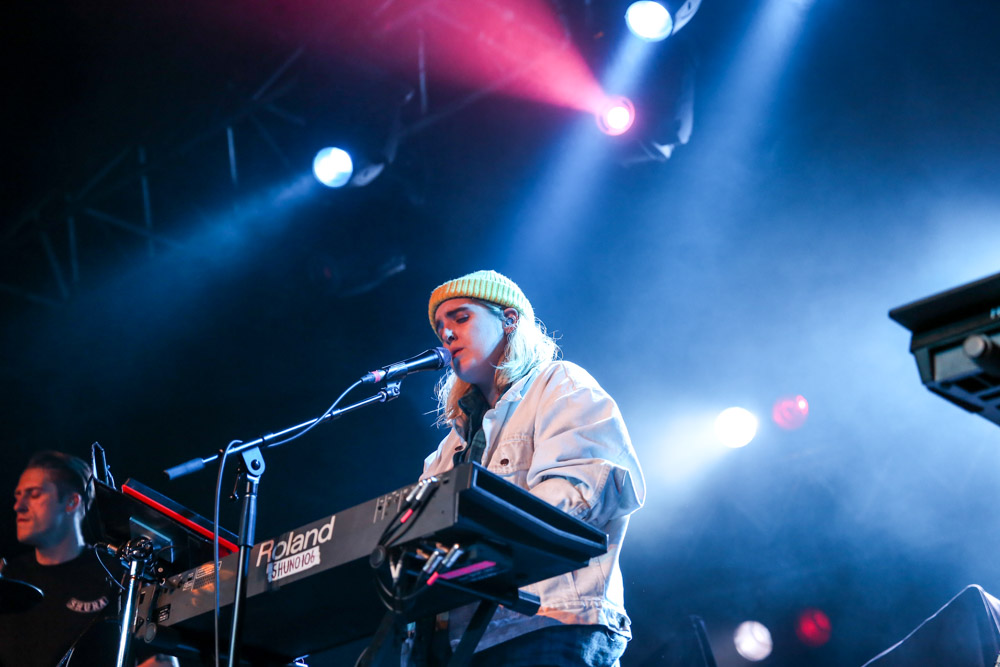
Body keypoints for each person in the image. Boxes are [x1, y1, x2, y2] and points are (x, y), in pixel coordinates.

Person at [420, 270, 646, 667]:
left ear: (509, 320)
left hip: (547, 624)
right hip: (462, 645)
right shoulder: (449, 447)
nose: (447, 335)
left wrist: (476, 541)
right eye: (440, 327)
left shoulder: (561, 384)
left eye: (460, 317)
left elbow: (580, 493)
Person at [0, 451, 177, 667]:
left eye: (34, 494)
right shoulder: (9, 576)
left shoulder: (122, 572)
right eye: (18, 496)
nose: (19, 505)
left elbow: (161, 660)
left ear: (72, 502)